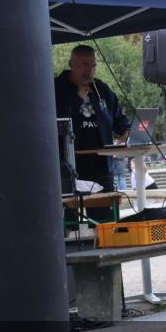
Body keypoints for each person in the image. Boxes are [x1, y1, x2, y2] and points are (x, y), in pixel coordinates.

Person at [54, 45, 130, 221]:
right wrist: (77, 97)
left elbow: (118, 119)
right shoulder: (56, 88)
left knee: (106, 222)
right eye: (84, 64)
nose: (90, 70)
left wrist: (126, 130)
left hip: (102, 165)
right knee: (68, 222)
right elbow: (55, 120)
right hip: (69, 166)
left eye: (93, 65)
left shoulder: (101, 89)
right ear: (71, 64)